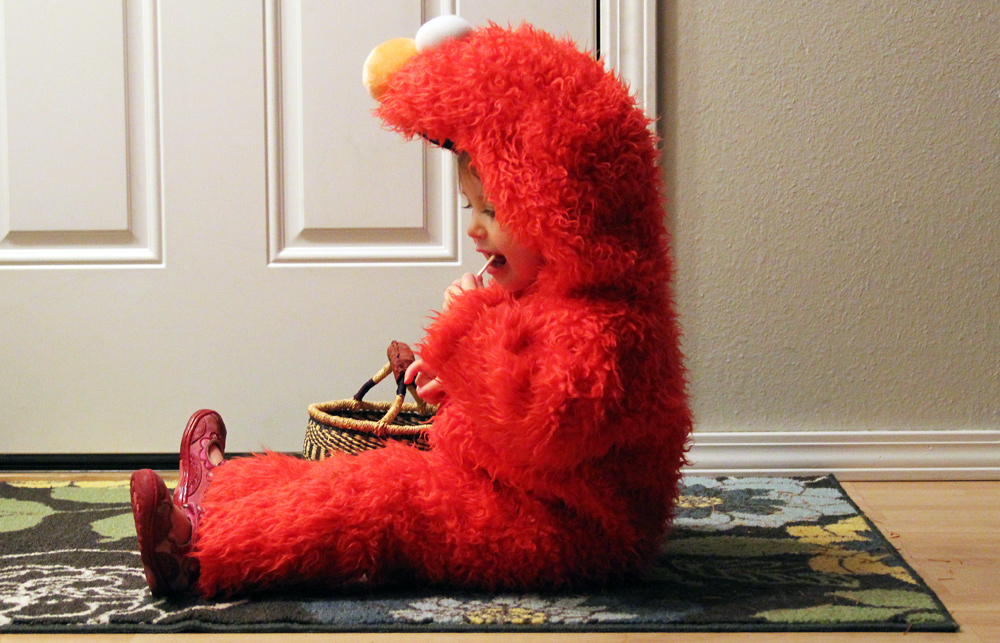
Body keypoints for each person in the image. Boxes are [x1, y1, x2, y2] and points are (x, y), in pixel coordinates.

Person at [130, 20, 691, 599]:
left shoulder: (613, 328)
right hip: (509, 490)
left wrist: (472, 334)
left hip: (570, 530)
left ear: (569, 217)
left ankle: (200, 554)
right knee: (353, 475)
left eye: (494, 212)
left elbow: (546, 423)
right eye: (471, 206)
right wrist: (455, 383)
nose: (474, 229)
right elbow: (509, 412)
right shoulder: (542, 296)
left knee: (386, 501)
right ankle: (220, 495)